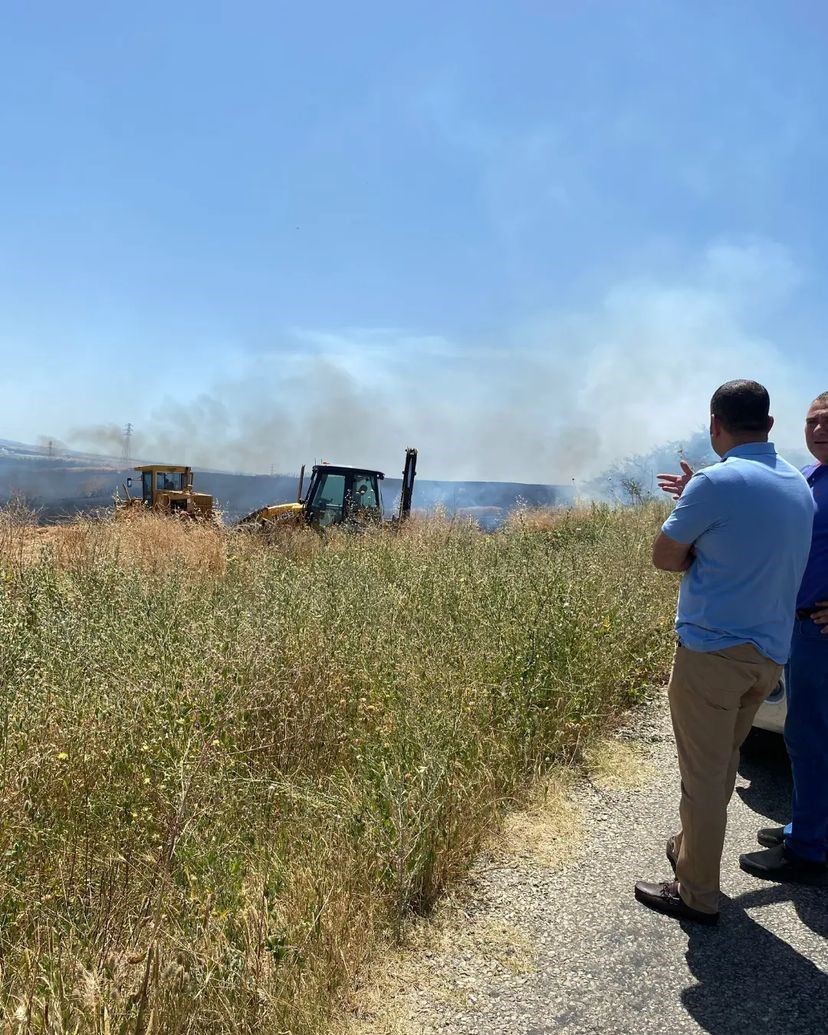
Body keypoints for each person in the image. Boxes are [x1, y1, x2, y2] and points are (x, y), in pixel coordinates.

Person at [634, 380, 815, 924]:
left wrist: (699, 502)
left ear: (716, 424)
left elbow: (665, 558)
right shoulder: (795, 483)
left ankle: (696, 894)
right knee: (722, 761)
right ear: (770, 424)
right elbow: (753, 538)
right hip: (768, 655)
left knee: (705, 778)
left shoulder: (715, 484)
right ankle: (690, 848)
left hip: (712, 654)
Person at [739, 392, 828, 884]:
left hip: (818, 629)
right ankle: (809, 825)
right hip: (797, 624)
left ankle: (808, 850)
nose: (818, 429)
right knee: (809, 733)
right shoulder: (810, 476)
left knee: (809, 736)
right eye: (812, 421)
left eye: (827, 421)